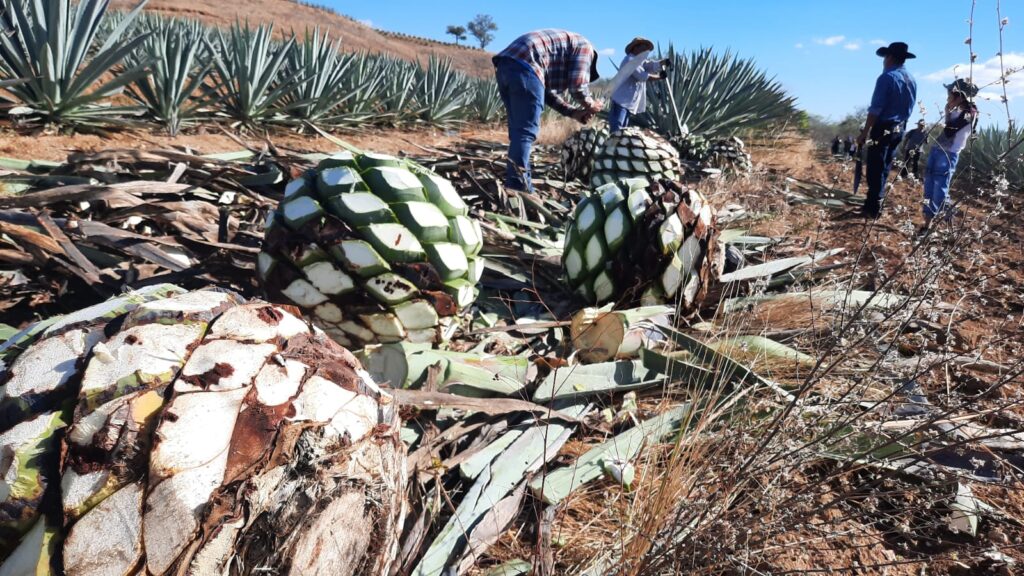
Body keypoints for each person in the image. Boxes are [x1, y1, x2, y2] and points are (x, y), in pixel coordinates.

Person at [493, 29, 604, 192]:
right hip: (526, 64)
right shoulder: (586, 48)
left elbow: (546, 93)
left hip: (506, 65)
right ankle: (518, 186)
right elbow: (578, 86)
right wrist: (590, 104)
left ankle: (514, 180)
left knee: (518, 132)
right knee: (525, 132)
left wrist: (574, 113)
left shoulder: (561, 52)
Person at [857, 42, 918, 218]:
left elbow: (875, 108)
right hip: (900, 127)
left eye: (885, 57)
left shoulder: (887, 77)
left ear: (889, 57)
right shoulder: (911, 80)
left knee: (875, 167)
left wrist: (865, 132)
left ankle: (873, 207)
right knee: (885, 166)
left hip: (884, 126)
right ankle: (875, 203)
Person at [920, 79, 979, 233]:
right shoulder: (957, 111)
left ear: (959, 96)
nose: (947, 98)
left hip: (948, 154)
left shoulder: (970, 113)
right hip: (937, 151)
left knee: (940, 192)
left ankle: (951, 229)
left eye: (950, 94)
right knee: (929, 189)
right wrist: (948, 111)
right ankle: (927, 225)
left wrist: (949, 111)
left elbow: (949, 130)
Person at [608, 37, 670, 133]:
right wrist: (659, 77)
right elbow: (642, 76)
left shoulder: (639, 61)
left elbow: (650, 65)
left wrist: (663, 62)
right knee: (617, 128)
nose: (645, 51)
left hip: (627, 103)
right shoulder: (630, 60)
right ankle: (611, 146)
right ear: (635, 48)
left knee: (622, 129)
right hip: (620, 101)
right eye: (643, 47)